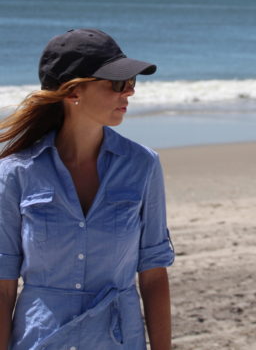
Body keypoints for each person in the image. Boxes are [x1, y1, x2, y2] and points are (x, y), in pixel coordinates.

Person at [0, 28, 175, 350]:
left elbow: (153, 273)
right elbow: (3, 284)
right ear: (72, 92)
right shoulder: (16, 173)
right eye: (118, 84)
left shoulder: (142, 165)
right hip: (41, 341)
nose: (129, 93)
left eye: (132, 84)